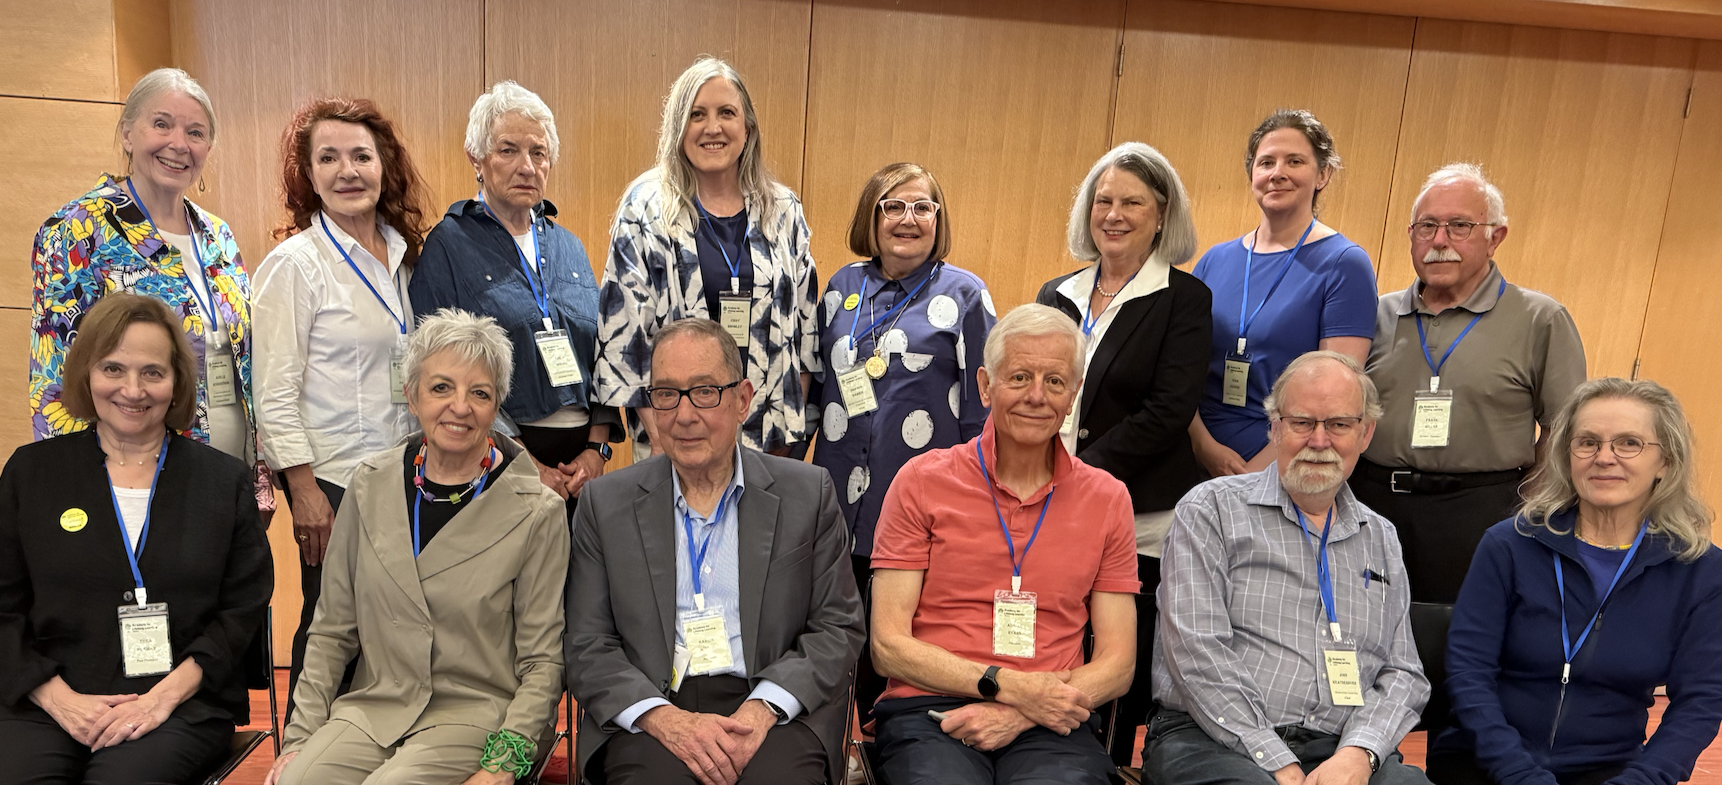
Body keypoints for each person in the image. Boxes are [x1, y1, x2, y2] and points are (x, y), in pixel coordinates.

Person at [265, 309, 567, 785]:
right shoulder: (368, 486)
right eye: (441, 387)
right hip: (376, 706)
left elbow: (543, 660)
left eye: (480, 393)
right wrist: (300, 739)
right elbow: (330, 632)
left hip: (479, 713)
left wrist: (502, 766)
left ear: (497, 405)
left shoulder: (538, 512)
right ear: (411, 395)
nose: (460, 407)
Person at [566, 318, 865, 785]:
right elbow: (587, 644)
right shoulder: (606, 504)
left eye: (704, 391)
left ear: (742, 399)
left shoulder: (806, 493)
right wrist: (664, 719)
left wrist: (765, 708)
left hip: (770, 703)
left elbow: (838, 626)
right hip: (652, 707)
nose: (684, 415)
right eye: (666, 393)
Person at [0, 293, 272, 784]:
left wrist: (163, 697)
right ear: (86, 373)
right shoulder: (31, 473)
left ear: (176, 381)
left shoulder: (222, 481)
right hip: (45, 699)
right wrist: (57, 699)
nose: (132, 389)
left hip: (180, 705)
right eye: (113, 369)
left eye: (152, 372)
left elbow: (242, 610)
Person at [868, 303, 1140, 785]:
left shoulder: (1108, 498)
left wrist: (1025, 709)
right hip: (932, 708)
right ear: (985, 386)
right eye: (1019, 377)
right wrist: (1006, 686)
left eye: (1055, 381)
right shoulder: (921, 481)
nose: (1037, 396)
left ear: (1074, 394)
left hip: (1053, 717)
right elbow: (889, 646)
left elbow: (1118, 665)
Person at [1148, 350, 1431, 785]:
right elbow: (1196, 650)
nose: (1319, 442)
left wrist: (1361, 753)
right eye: (1302, 423)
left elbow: (1404, 673)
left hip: (1338, 747)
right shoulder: (1211, 509)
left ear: (1365, 432)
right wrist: (1277, 760)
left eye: (1338, 424)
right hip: (1214, 739)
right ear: (1275, 427)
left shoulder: (1381, 536)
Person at [1432, 378, 1722, 785]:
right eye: (1587, 442)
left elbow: (1701, 702)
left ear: (1666, 462)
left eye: (1628, 443)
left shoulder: (1701, 569)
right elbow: (1468, 670)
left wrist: (1640, 781)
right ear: (1567, 455)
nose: (1604, 457)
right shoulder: (1510, 544)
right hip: (1486, 761)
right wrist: (1518, 775)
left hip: (1611, 771)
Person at [252, 96, 433, 717]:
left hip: (408, 474)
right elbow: (271, 391)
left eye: (361, 155)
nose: (347, 170)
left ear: (385, 165)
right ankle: (305, 750)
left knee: (395, 628)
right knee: (331, 629)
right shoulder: (294, 266)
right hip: (332, 480)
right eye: (328, 157)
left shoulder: (409, 258)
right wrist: (303, 491)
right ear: (308, 172)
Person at [29, 67, 274, 516]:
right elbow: (54, 377)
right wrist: (75, 491)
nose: (178, 143)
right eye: (161, 124)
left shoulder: (218, 236)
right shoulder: (77, 230)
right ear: (127, 134)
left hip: (229, 476)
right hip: (132, 481)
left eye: (195, 132)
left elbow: (243, 360)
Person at [1034, 141, 1210, 764]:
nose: (1114, 214)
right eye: (1103, 200)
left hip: (1140, 511)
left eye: (1132, 202)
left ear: (1161, 214)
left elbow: (1167, 411)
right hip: (1049, 499)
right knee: (1055, 631)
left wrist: (1078, 474)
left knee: (1120, 646)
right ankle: (1050, 752)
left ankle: (1108, 762)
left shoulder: (1184, 300)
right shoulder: (1057, 293)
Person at [1353, 163, 1587, 604]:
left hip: (1480, 514)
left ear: (1495, 236)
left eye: (1459, 226)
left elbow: (1566, 431)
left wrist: (1522, 516)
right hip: (1373, 505)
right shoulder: (1374, 315)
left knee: (1458, 650)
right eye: (1427, 226)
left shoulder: (1540, 319)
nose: (1440, 241)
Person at [814, 162, 995, 721]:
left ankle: (884, 740)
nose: (908, 219)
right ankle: (829, 735)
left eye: (923, 207)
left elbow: (979, 409)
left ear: (939, 220)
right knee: (831, 623)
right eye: (893, 206)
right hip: (838, 493)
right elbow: (820, 384)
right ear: (872, 215)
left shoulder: (965, 294)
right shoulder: (842, 286)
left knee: (895, 636)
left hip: (919, 501)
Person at [596, 57, 819, 460]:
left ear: (747, 128)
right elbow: (625, 338)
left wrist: (789, 434)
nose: (712, 127)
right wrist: (664, 441)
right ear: (678, 128)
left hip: (767, 441)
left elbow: (804, 336)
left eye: (726, 113)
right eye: (697, 115)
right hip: (676, 437)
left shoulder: (783, 210)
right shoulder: (645, 208)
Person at [410, 80, 617, 503]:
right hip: (495, 459)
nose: (527, 166)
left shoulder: (569, 246)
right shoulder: (449, 244)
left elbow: (606, 353)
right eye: (509, 150)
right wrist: (518, 457)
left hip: (583, 469)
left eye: (538, 153)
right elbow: (439, 369)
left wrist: (597, 451)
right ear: (478, 159)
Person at [1189, 109, 1377, 480]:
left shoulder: (1344, 264)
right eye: (1266, 162)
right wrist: (1201, 446)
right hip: (1193, 450)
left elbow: (1332, 395)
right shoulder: (1214, 260)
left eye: (1295, 161)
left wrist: (1254, 477)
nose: (1278, 173)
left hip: (1283, 463)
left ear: (1323, 174)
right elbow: (1179, 369)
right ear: (1252, 175)